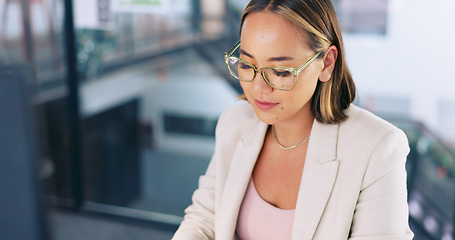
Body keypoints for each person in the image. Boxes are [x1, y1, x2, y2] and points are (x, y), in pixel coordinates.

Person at [172, 0, 414, 239]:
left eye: (280, 72)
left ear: (326, 63)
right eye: (246, 64)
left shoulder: (377, 147)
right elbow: (203, 220)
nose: (257, 88)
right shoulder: (235, 122)